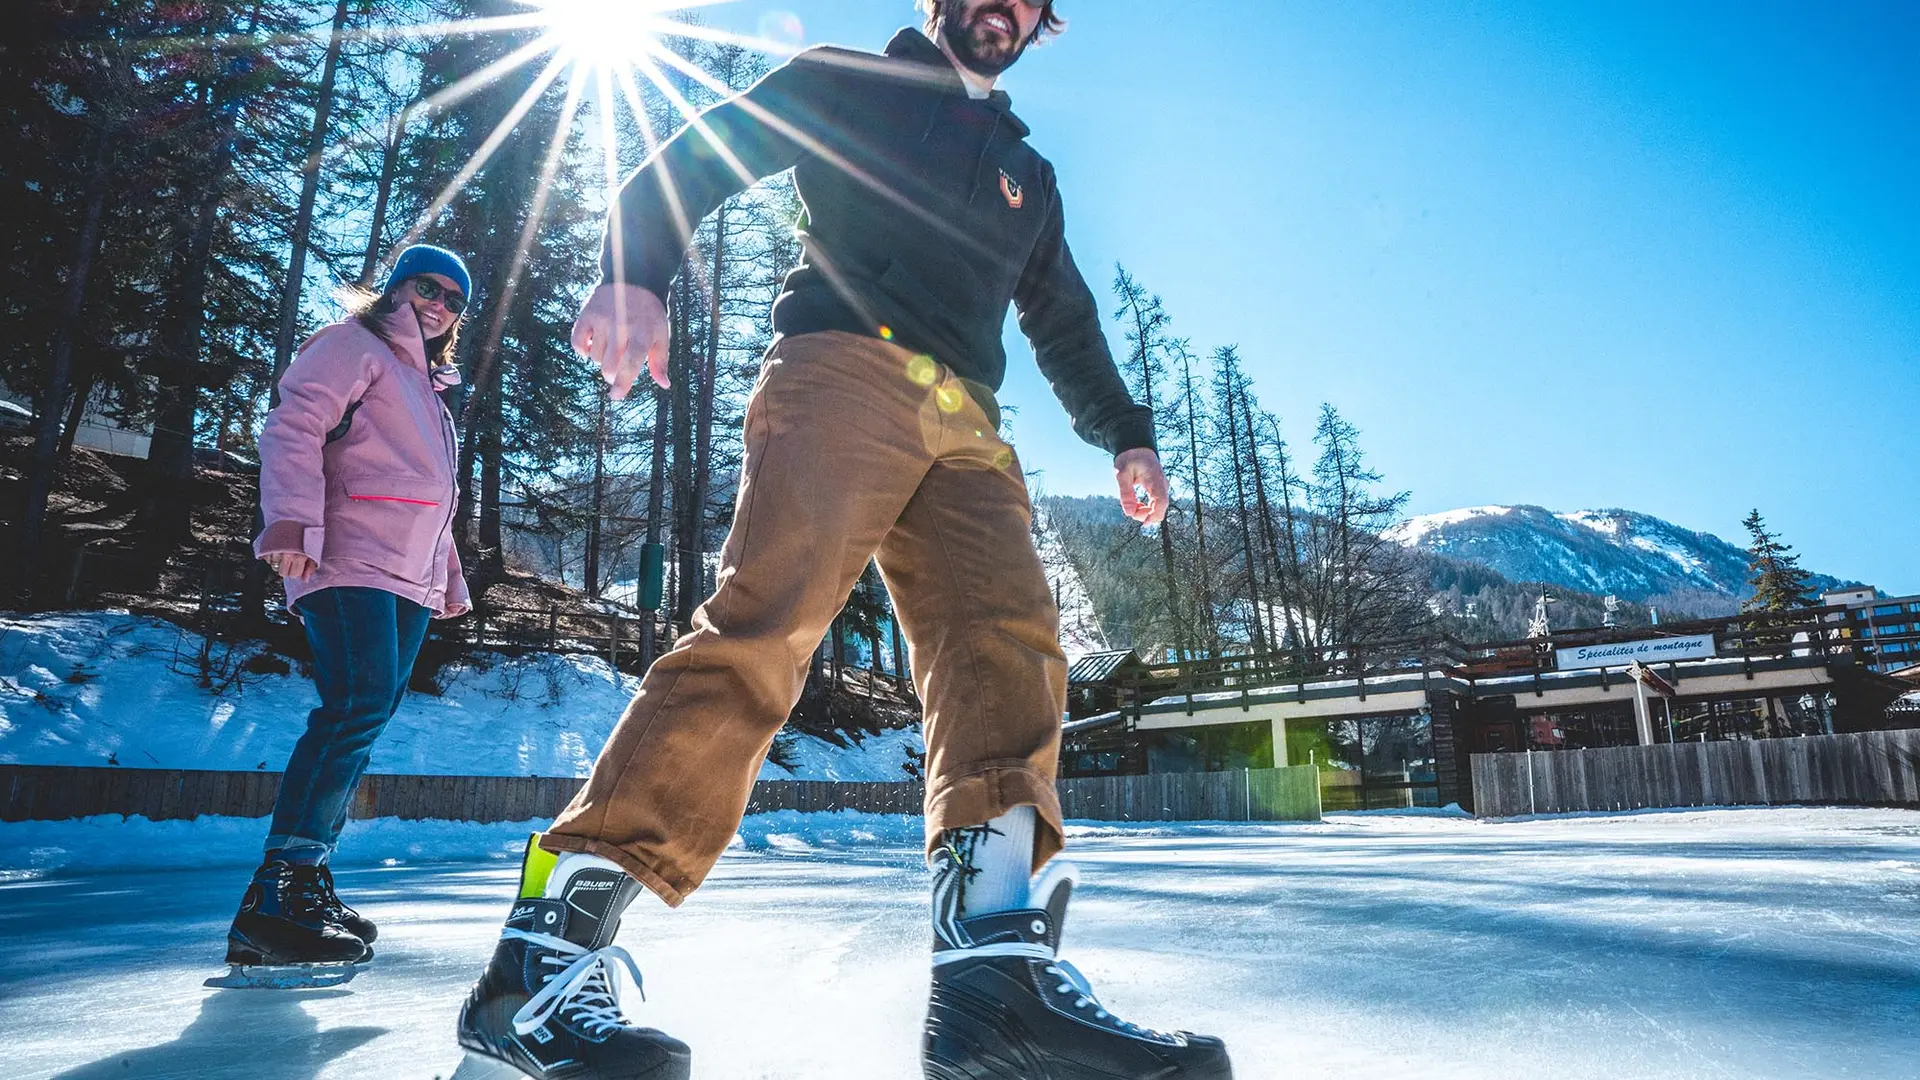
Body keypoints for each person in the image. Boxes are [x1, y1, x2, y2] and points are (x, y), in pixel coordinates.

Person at [456, 3, 1232, 1077]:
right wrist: (636, 267)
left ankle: (991, 994)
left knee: (1009, 654)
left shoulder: (1027, 176)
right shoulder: (850, 82)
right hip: (838, 371)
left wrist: (1127, 435)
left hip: (966, 419)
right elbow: (698, 150)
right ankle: (536, 967)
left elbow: (1064, 319)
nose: (1004, 7)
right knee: (763, 632)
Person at [224, 244, 474, 978]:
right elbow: (292, 427)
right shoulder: (351, 344)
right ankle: (281, 888)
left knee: (368, 714)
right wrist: (292, 525)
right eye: (426, 287)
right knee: (354, 705)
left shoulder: (427, 388)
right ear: (395, 289)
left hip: (404, 576)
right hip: (346, 555)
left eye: (454, 300)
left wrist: (445, 578)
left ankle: (302, 884)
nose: (438, 304)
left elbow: (431, 498)